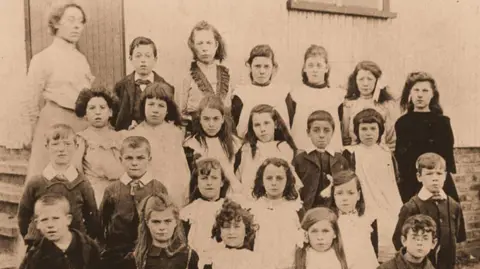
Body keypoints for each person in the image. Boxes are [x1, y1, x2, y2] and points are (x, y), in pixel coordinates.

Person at [23, 3, 94, 181]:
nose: (77, 26)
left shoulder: (81, 59)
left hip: (80, 125)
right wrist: (34, 133)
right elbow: (30, 100)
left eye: (80, 21)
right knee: (50, 182)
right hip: (53, 124)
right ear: (56, 23)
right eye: (70, 20)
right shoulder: (43, 58)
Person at [17, 124, 100, 247]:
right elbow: (23, 217)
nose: (61, 149)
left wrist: (80, 242)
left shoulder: (83, 184)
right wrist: (34, 239)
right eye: (55, 144)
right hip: (41, 246)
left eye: (67, 144)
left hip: (73, 249)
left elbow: (92, 219)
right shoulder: (36, 183)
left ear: (76, 147)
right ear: (47, 147)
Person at [99, 136, 168, 269]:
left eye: (140, 158)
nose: (134, 163)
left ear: (149, 159)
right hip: (118, 253)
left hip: (150, 251)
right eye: (129, 158)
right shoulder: (112, 190)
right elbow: (103, 221)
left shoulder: (158, 188)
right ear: (121, 160)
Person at [343, 108, 403, 260]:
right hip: (364, 202)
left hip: (387, 202)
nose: (368, 133)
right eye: (363, 129)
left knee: (389, 236)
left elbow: (392, 181)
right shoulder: (351, 153)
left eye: (373, 129)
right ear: (356, 131)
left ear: (380, 131)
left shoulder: (385, 153)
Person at [395, 71, 460, 203]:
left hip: (438, 180)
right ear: (410, 94)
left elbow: (446, 156)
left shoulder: (442, 122)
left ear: (432, 94)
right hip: (412, 181)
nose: (420, 95)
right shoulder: (402, 123)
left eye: (425, 91)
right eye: (416, 90)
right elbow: (401, 158)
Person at [392, 153, 466, 269]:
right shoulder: (411, 207)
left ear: (445, 176)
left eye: (439, 173)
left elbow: (456, 237)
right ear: (419, 177)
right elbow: (398, 241)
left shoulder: (454, 206)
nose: (435, 178)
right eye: (429, 174)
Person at [128, 82, 190, 207]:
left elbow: (181, 168)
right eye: (151, 104)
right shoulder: (136, 133)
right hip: (146, 191)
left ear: (168, 110)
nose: (155, 110)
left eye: (161, 106)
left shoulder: (175, 133)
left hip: (173, 189)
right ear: (143, 106)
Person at [19, 193, 101, 269]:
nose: (50, 225)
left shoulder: (88, 247)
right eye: (44, 220)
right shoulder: (35, 255)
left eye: (56, 218)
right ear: (37, 224)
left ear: (68, 219)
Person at [250, 158, 304, 269]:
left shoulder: (296, 208)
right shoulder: (254, 209)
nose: (274, 183)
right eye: (269, 178)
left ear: (288, 181)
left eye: (279, 178)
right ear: (262, 181)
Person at [288, 45, 344, 151]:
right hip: (302, 151)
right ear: (304, 68)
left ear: (326, 68)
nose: (315, 70)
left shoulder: (337, 96)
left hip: (330, 152)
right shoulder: (295, 95)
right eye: (310, 65)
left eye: (319, 65)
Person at [73, 87, 123, 206]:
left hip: (120, 192)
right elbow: (75, 171)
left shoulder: (121, 137)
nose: (98, 112)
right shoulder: (81, 139)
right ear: (85, 114)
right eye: (92, 108)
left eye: (102, 107)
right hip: (94, 195)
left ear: (110, 112)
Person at [180, 21, 233, 132]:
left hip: (224, 131)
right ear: (193, 46)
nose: (205, 48)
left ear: (216, 45)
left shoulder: (226, 75)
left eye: (209, 43)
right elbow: (181, 111)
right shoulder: (188, 76)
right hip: (197, 130)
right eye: (200, 43)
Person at [112, 36, 174, 131]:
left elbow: (171, 119)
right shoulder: (121, 86)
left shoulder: (166, 87)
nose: (143, 60)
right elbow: (115, 118)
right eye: (138, 56)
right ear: (130, 58)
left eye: (148, 56)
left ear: (155, 59)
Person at [292, 110, 350, 211]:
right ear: (308, 132)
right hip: (306, 210)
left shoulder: (340, 160)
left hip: (334, 210)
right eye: (316, 130)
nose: (321, 135)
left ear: (333, 133)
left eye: (326, 130)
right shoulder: (300, 159)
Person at [183, 96, 242, 192]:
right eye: (206, 119)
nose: (211, 124)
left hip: (229, 190)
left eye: (216, 119)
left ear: (222, 119)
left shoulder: (234, 143)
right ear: (200, 120)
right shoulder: (192, 144)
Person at [231, 44, 291, 137]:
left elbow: (288, 126)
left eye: (266, 66)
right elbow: (237, 129)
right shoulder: (241, 94)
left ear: (273, 68)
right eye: (257, 66)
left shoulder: (283, 93)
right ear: (250, 67)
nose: (262, 71)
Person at [237, 104, 297, 196]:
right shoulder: (247, 149)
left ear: (276, 124)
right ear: (252, 128)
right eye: (257, 125)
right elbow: (242, 178)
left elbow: (290, 179)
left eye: (266, 123)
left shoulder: (284, 148)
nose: (262, 129)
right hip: (250, 197)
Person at [180, 158, 231, 265]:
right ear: (197, 182)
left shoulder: (229, 208)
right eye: (204, 178)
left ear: (222, 182)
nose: (209, 183)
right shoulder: (189, 211)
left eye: (214, 178)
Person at [341, 60, 400, 150]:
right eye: (361, 79)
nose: (365, 84)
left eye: (369, 79)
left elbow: (392, 138)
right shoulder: (348, 105)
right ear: (355, 81)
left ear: (377, 81)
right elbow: (345, 137)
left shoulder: (387, 105)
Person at [329, 170, 379, 268]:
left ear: (358, 195)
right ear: (333, 195)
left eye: (350, 193)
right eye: (339, 193)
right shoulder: (330, 220)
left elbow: (373, 248)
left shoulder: (367, 219)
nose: (345, 198)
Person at [134, 194, 199, 269]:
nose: (162, 227)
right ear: (147, 222)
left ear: (176, 222)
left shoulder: (188, 256)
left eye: (167, 221)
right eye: (156, 222)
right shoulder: (136, 259)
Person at [204, 199, 266, 269]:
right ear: (220, 231)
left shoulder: (256, 261)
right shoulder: (212, 260)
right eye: (226, 227)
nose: (231, 232)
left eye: (237, 227)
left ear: (247, 230)